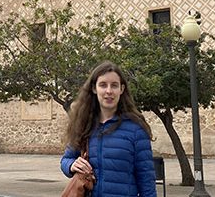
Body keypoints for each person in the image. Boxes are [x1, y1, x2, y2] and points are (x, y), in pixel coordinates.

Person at [61, 61, 157, 197]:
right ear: (94, 88)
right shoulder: (83, 124)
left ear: (121, 89)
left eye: (114, 85)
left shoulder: (136, 129)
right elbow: (66, 160)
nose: (109, 91)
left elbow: (146, 181)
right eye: (103, 85)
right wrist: (71, 165)